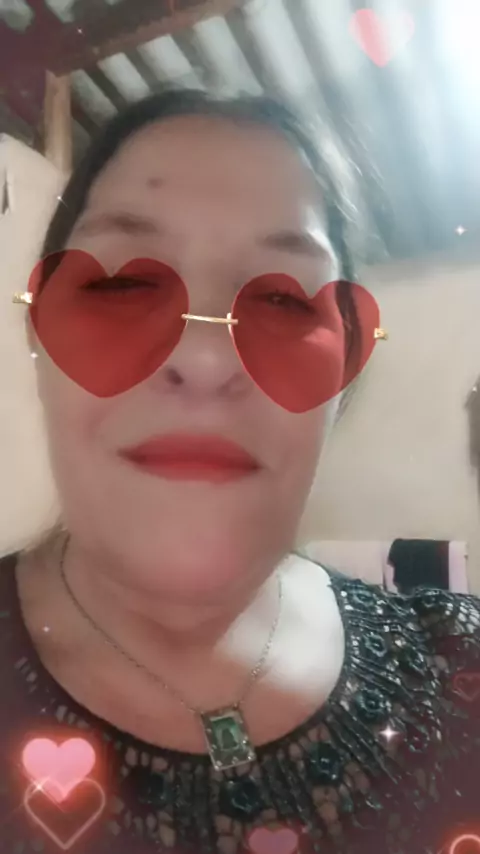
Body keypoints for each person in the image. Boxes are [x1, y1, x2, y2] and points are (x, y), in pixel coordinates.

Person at [2, 88, 479, 854]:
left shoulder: (463, 668)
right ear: (40, 331)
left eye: (286, 301)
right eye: (122, 283)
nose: (204, 355)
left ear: (346, 371)